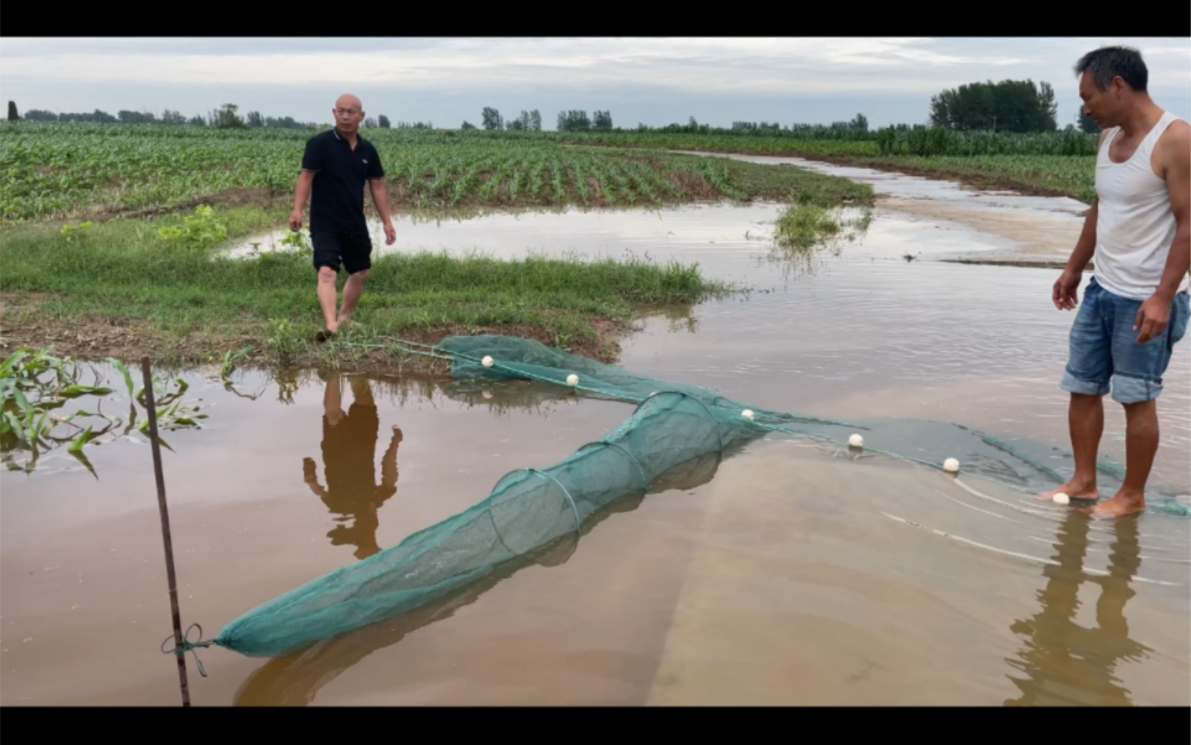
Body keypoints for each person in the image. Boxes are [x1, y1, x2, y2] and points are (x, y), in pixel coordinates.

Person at [1045, 46, 1190, 519]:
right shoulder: (1108, 138)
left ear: (1119, 86)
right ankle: (1085, 482)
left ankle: (1131, 495)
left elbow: (1189, 224)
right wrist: (1073, 268)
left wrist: (1163, 297)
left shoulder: (1176, 140)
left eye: (1089, 96)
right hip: (1102, 289)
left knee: (1136, 396)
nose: (1085, 108)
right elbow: (1102, 206)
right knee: (1082, 386)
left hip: (1145, 298)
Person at [290, 94, 397, 342]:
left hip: (354, 221)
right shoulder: (320, 144)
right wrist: (297, 210)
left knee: (361, 272)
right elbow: (306, 177)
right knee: (327, 271)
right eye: (341, 111)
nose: (345, 116)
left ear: (361, 116)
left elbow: (377, 186)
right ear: (334, 113)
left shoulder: (368, 150)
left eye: (351, 112)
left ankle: (344, 317)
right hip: (325, 221)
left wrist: (387, 221)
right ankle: (331, 326)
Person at [303, 375, 402, 560]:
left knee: (333, 414)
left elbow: (316, 487)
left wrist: (310, 476)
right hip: (364, 443)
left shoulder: (339, 506)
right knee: (364, 401)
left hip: (336, 449)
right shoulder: (379, 498)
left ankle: (334, 368)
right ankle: (353, 368)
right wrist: (395, 443)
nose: (370, 524)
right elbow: (389, 472)